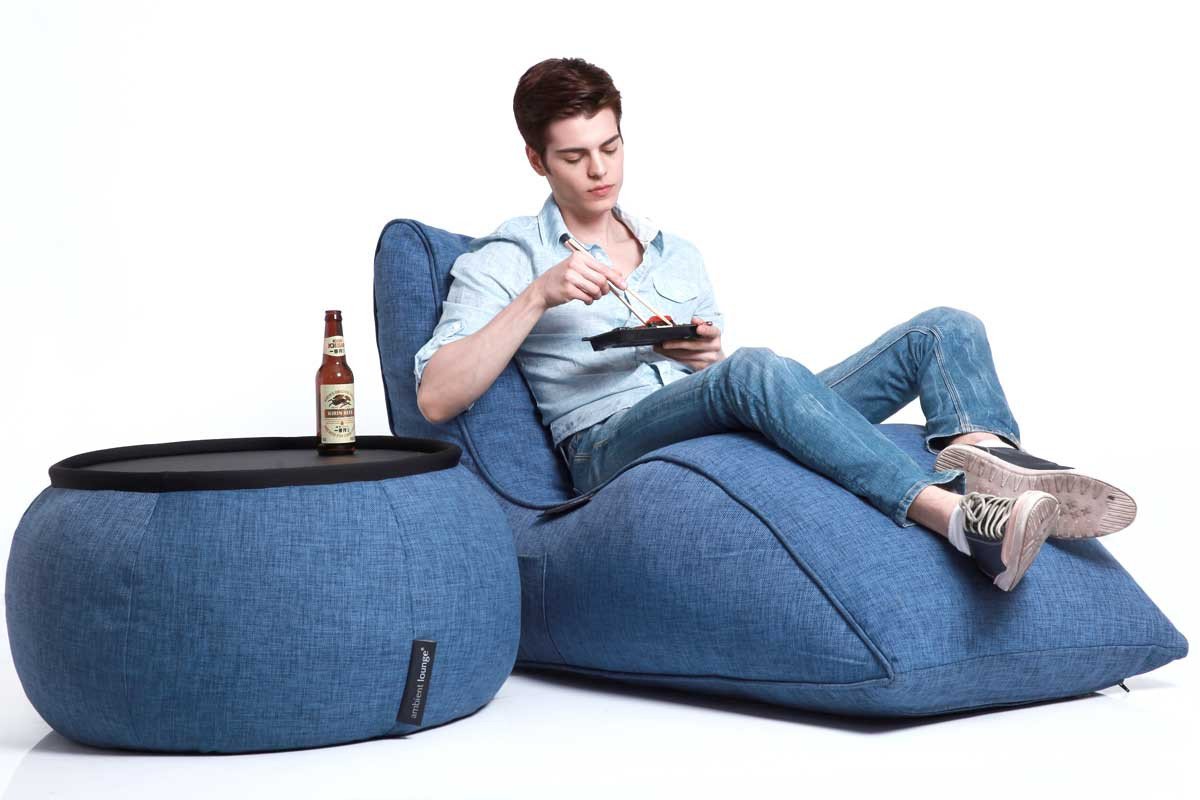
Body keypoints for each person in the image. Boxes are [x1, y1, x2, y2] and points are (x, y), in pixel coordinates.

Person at [414, 57, 1136, 592]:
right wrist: (538, 296)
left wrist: (702, 359)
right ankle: (958, 520)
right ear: (536, 159)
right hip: (606, 447)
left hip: (706, 416)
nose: (599, 170)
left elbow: (715, 374)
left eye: (611, 147)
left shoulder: (673, 250)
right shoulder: (509, 256)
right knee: (755, 369)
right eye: (574, 156)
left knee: (944, 329)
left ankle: (987, 460)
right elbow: (437, 396)